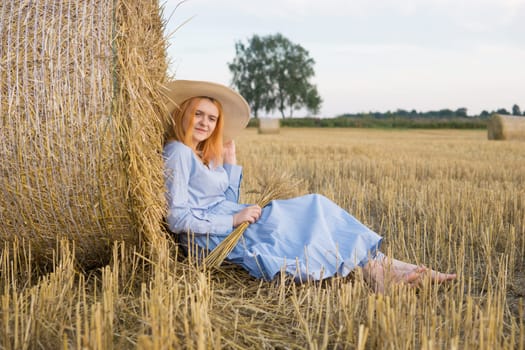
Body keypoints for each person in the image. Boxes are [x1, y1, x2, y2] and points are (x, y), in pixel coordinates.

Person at [162, 80, 456, 293]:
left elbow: (226, 199)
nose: (205, 122)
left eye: (212, 118)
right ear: (184, 112)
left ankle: (389, 267)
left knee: (316, 208)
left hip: (232, 220)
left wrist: (230, 162)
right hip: (210, 236)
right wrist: (233, 219)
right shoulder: (177, 152)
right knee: (309, 217)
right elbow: (177, 219)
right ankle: (383, 272)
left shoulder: (203, 155)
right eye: (198, 114)